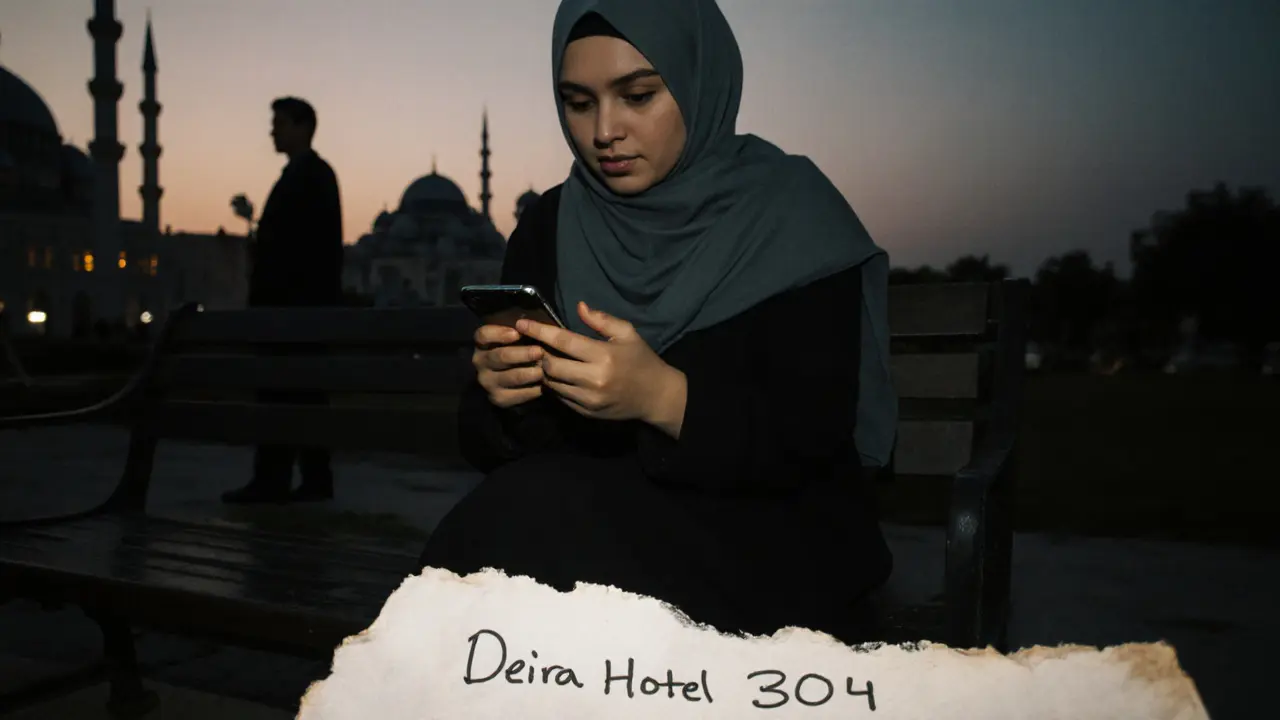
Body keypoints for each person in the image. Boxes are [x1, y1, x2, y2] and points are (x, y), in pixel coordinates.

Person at [418, 0, 899, 644]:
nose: (604, 131)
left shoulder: (791, 215)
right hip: (589, 525)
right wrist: (503, 395)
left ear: (699, 80)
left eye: (638, 95)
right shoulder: (553, 224)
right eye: (578, 102)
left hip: (767, 540)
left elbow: (812, 435)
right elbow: (492, 445)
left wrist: (665, 399)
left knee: (525, 528)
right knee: (522, 523)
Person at [222, 97, 345, 505]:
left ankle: (287, 480)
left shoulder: (312, 175)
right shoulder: (303, 175)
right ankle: (296, 479)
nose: (272, 132)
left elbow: (303, 247)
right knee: (292, 394)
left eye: (278, 123)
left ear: (302, 126)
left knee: (292, 393)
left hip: (295, 311)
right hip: (291, 310)